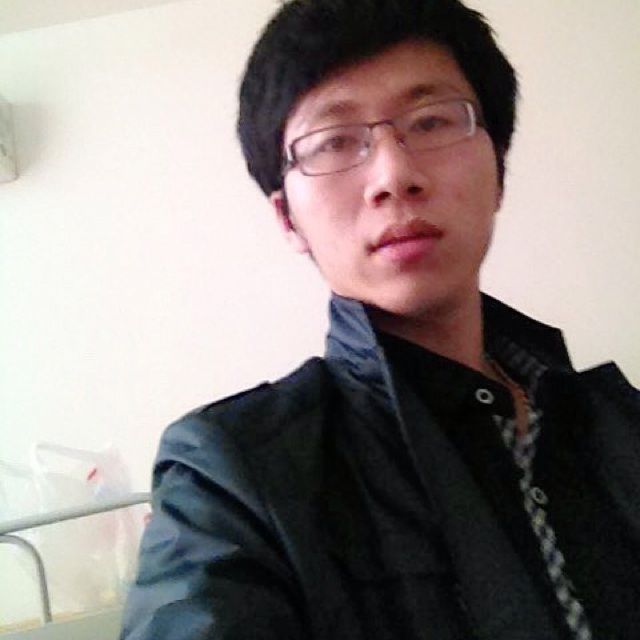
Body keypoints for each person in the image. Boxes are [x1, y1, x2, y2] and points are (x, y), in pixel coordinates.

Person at [120, 1, 640, 638]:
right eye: (335, 141)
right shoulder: (230, 479)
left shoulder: (618, 423)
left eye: (432, 121)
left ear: (499, 173)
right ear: (288, 219)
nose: (394, 175)